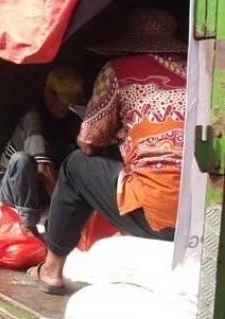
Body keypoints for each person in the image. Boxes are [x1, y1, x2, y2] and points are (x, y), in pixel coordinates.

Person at [28, 8, 186, 295]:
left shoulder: (119, 71)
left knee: (76, 166)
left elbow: (88, 141)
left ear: (129, 44)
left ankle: (51, 269)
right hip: (199, 215)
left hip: (156, 213)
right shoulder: (200, 74)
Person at [0, 67, 84, 232]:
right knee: (23, 160)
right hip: (13, 188)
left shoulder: (73, 121)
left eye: (69, 101)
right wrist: (66, 211)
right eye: (62, 99)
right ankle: (28, 224)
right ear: (49, 94)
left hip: (41, 191)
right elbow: (44, 170)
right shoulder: (34, 118)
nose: (65, 105)